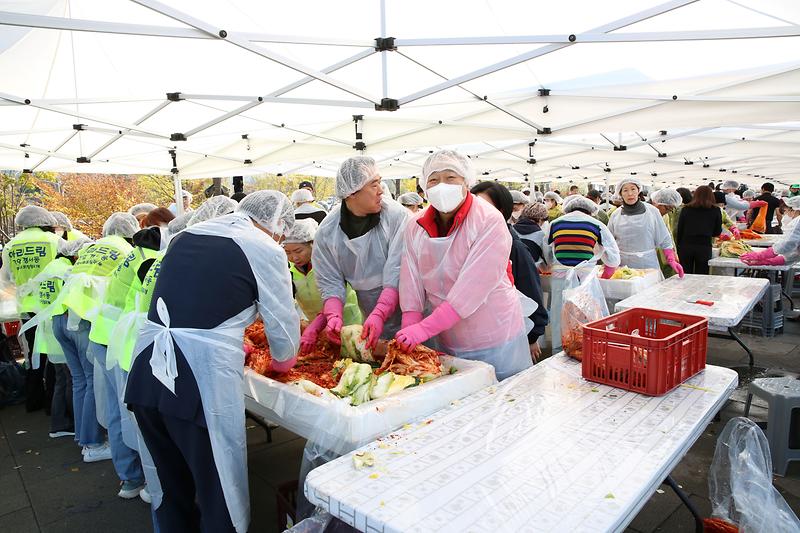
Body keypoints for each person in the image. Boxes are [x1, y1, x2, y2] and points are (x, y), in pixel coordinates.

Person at [125, 191, 300, 533]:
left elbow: (199, 305)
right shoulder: (263, 247)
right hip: (194, 382)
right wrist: (281, 363)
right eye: (282, 232)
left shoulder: (187, 235)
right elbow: (284, 330)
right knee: (216, 487)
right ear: (277, 226)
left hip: (146, 370)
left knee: (173, 486)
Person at [397, 151, 536, 378]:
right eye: (433, 179)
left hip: (493, 335)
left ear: (466, 181)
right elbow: (410, 277)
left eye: (450, 178)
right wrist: (410, 320)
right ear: (424, 186)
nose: (441, 185)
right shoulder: (415, 225)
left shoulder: (488, 220)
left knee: (499, 399)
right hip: (446, 334)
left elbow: (473, 288)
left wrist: (424, 328)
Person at [57, 213, 139, 465]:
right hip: (105, 330)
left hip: (73, 320)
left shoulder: (93, 248)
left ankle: (118, 468)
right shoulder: (130, 253)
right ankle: (138, 471)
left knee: (94, 391)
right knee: (125, 406)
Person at [311, 156, 408, 349]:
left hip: (410, 312)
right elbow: (329, 281)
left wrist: (380, 312)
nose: (381, 190)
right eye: (374, 185)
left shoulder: (396, 217)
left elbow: (399, 270)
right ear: (351, 193)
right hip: (369, 314)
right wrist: (333, 315)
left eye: (379, 183)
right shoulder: (328, 232)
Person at [471, 181, 549, 363]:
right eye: (474, 206)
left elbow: (531, 288)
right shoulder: (469, 239)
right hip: (475, 334)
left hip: (505, 335)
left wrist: (532, 336)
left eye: (485, 207)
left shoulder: (512, 245)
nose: (478, 213)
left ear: (502, 211)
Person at [0, 206, 64, 412]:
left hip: (27, 309)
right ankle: (53, 403)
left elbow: (7, 279)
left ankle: (34, 399)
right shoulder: (54, 241)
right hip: (53, 305)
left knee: (33, 355)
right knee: (56, 356)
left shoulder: (11, 246)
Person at [541, 194, 620, 351]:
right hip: (585, 277)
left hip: (560, 276)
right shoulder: (596, 224)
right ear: (590, 211)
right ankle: (586, 349)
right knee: (586, 314)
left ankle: (558, 351)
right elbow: (613, 258)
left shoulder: (555, 224)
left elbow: (547, 252)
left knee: (560, 314)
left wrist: (552, 263)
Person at [284, 220, 363, 352]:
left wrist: (314, 328)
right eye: (288, 253)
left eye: (298, 251)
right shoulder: (289, 271)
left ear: (313, 244)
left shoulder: (329, 264)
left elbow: (333, 295)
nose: (294, 258)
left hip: (347, 323)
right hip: (316, 327)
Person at [607, 178, 683, 276]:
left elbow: (664, 238)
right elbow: (609, 241)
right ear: (620, 194)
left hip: (648, 263)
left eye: (633, 189)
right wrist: (609, 264)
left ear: (638, 191)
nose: (630, 193)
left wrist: (671, 259)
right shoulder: (615, 215)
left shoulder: (652, 211)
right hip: (623, 265)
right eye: (625, 190)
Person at [741, 196, 800, 267]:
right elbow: (795, 254)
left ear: (794, 210)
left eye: (786, 211)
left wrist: (760, 255)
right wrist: (768, 261)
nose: (786, 214)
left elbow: (787, 243)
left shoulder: (798, 221)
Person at [676, 186, 722, 275]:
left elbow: (680, 229)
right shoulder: (715, 210)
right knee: (702, 275)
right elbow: (717, 232)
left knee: (684, 274)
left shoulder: (686, 209)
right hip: (704, 246)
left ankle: (684, 289)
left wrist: (679, 246)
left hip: (686, 245)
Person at [652, 188, 685, 278]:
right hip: (651, 256)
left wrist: (673, 254)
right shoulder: (648, 214)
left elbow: (668, 235)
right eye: (667, 208)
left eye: (671, 209)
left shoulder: (665, 216)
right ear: (658, 203)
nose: (668, 211)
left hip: (664, 256)